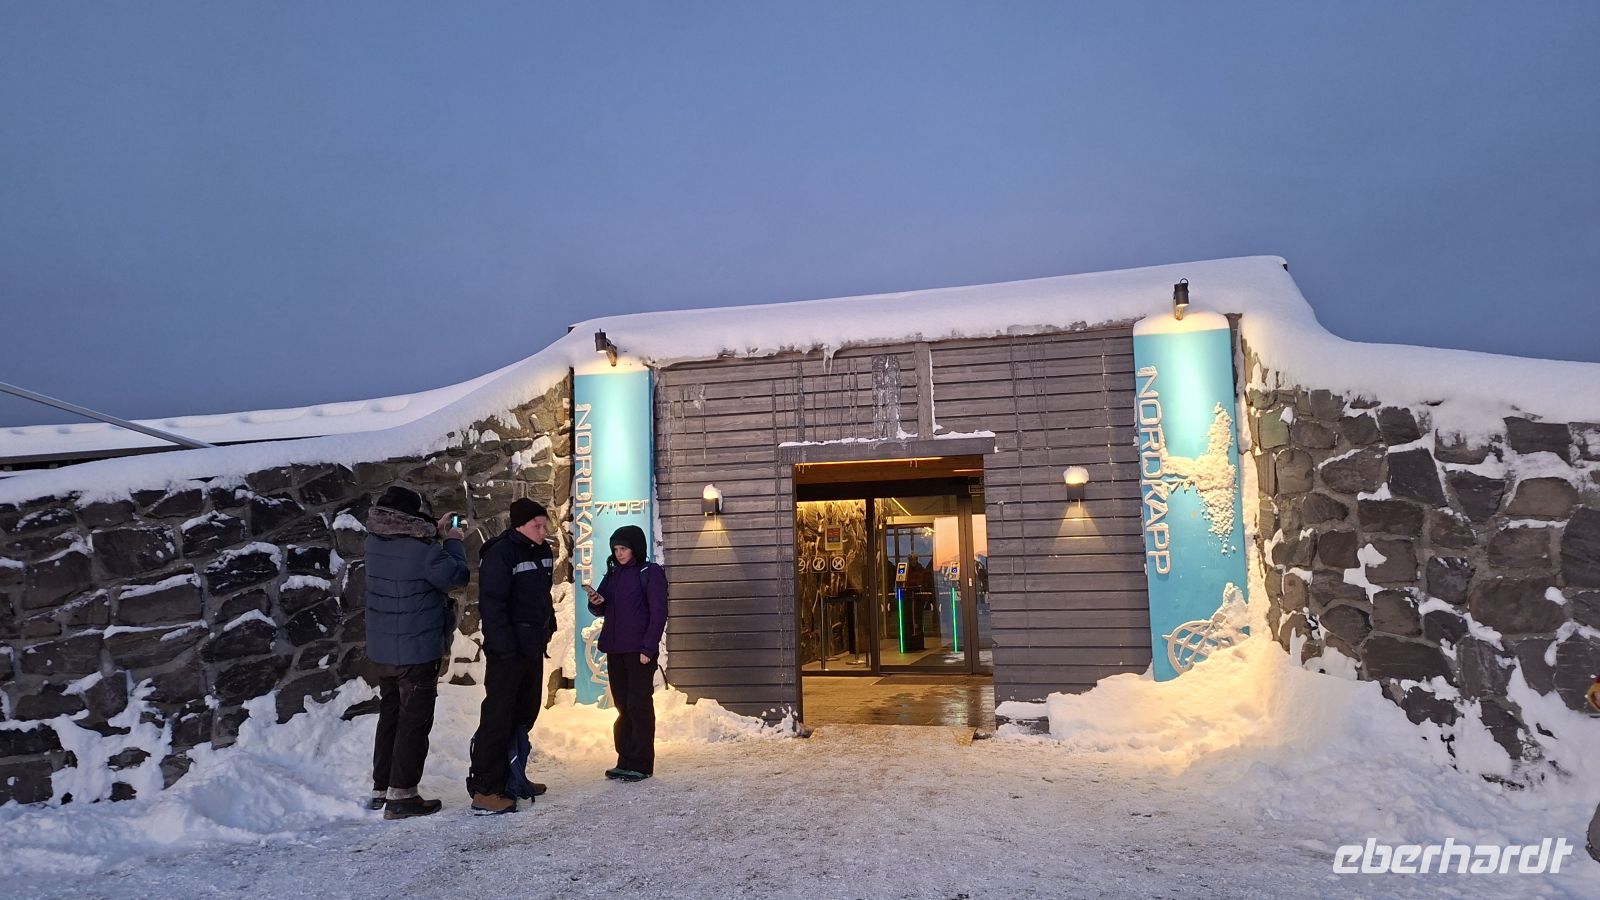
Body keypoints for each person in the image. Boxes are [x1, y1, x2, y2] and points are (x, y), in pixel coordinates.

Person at [363, 485, 469, 819]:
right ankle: (403, 796)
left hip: (384, 650)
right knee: (414, 722)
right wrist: (453, 541)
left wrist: (433, 532)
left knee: (390, 716)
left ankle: (382, 788)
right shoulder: (425, 553)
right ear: (411, 516)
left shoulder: (374, 542)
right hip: (417, 651)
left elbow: (407, 546)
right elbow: (457, 576)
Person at [467, 498, 558, 814]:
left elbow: (542, 596)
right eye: (537, 525)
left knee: (525, 713)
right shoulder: (500, 554)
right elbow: (492, 605)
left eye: (544, 525)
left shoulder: (542, 552)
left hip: (532, 647)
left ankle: (513, 776)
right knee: (499, 717)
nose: (543, 531)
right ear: (520, 525)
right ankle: (486, 788)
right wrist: (505, 647)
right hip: (507, 651)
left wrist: (549, 625)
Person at [584, 525, 668, 782]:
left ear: (636, 548)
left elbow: (658, 613)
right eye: (616, 549)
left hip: (639, 651)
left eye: (624, 548)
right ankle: (625, 760)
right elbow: (602, 607)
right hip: (615, 649)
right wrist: (595, 602)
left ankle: (641, 764)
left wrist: (648, 648)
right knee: (623, 706)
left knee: (638, 705)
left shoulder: (650, 572)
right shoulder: (613, 573)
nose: (619, 553)